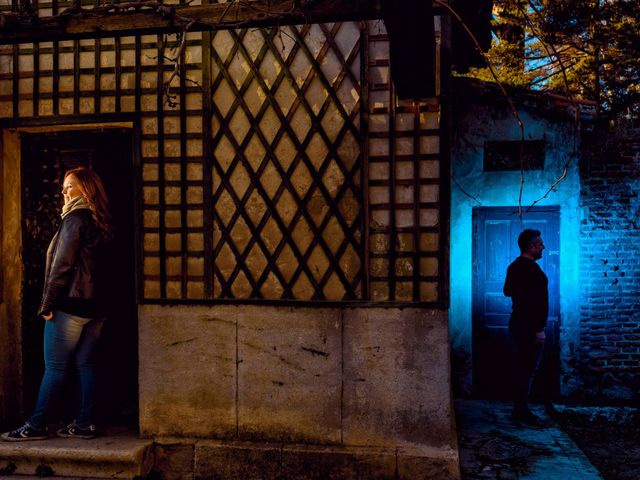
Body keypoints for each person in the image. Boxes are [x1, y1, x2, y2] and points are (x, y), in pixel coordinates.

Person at [1, 167, 111, 441]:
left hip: (70, 307)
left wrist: (47, 304)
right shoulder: (101, 220)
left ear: (85, 190)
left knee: (55, 368)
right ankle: (86, 424)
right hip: (96, 308)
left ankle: (36, 425)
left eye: (69, 186)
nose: (63, 191)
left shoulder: (74, 219)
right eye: (63, 186)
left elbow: (61, 266)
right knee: (86, 364)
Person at [503, 228, 548, 427]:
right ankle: (521, 411)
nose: (543, 247)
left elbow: (507, 291)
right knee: (528, 368)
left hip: (517, 322)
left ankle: (519, 409)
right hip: (529, 326)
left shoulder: (514, 267)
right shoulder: (533, 270)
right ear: (531, 247)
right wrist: (539, 328)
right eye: (540, 244)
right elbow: (537, 302)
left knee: (522, 367)